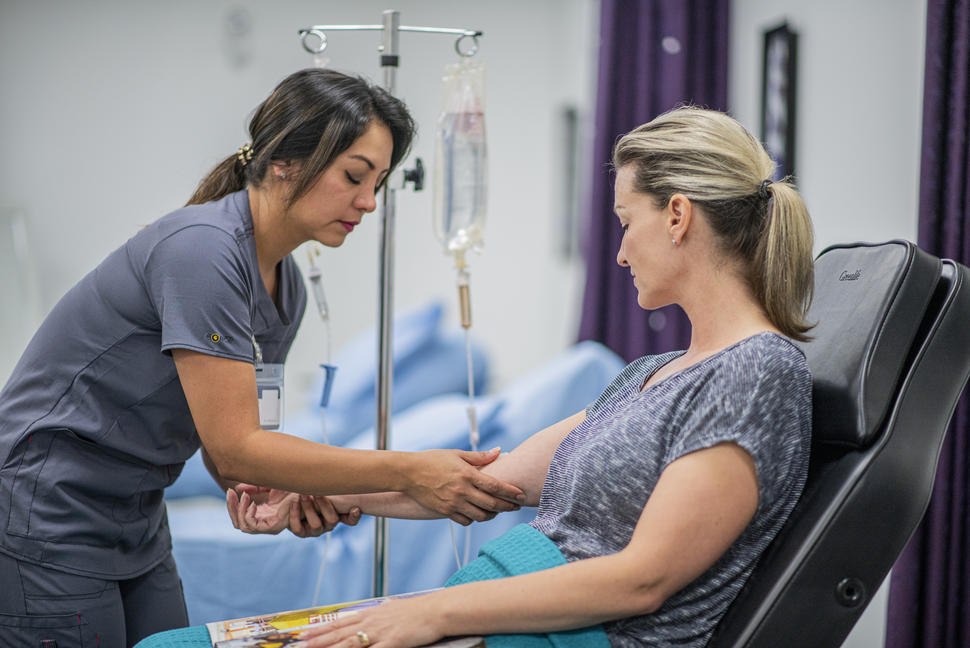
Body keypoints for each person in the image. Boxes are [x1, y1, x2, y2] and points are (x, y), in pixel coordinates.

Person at [0, 68, 523, 647]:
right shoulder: (201, 250)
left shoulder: (283, 286)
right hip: (47, 511)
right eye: (355, 176)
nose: (370, 203)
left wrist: (285, 494)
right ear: (285, 161)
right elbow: (236, 446)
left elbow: (239, 461)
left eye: (378, 183)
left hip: (137, 519)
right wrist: (410, 469)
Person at [276, 106, 816, 648]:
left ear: (677, 215)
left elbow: (642, 581)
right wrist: (324, 490)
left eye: (627, 223)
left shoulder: (756, 371)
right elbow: (492, 482)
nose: (622, 254)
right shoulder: (650, 374)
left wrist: (433, 612)